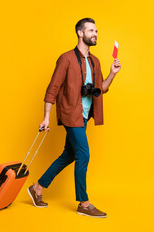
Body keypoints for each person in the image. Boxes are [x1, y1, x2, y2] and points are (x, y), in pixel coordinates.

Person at [27, 18, 121, 218]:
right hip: (71, 114)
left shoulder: (95, 61)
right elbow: (52, 89)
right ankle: (84, 203)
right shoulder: (66, 59)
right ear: (80, 33)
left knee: (68, 155)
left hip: (85, 116)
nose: (95, 34)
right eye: (91, 30)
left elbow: (101, 89)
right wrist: (46, 118)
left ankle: (37, 188)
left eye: (96, 31)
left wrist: (113, 74)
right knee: (83, 155)